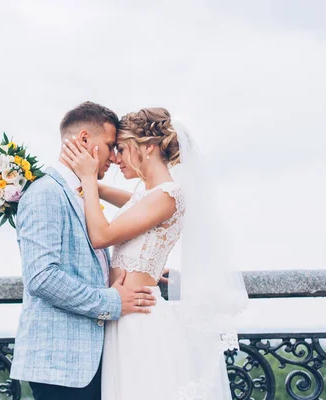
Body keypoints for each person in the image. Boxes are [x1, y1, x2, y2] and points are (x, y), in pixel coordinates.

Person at [61, 107, 248, 399]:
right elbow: (131, 203)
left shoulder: (167, 195)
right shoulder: (150, 193)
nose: (114, 157)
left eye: (121, 149)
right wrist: (78, 180)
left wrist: (87, 180)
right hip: (123, 315)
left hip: (139, 320)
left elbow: (101, 236)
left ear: (146, 147)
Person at [10, 101, 157, 400]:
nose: (114, 158)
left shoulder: (80, 193)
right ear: (85, 140)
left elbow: (86, 263)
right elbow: (41, 277)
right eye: (110, 145)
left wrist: (144, 269)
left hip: (88, 361)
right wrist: (111, 302)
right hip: (61, 366)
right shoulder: (45, 193)